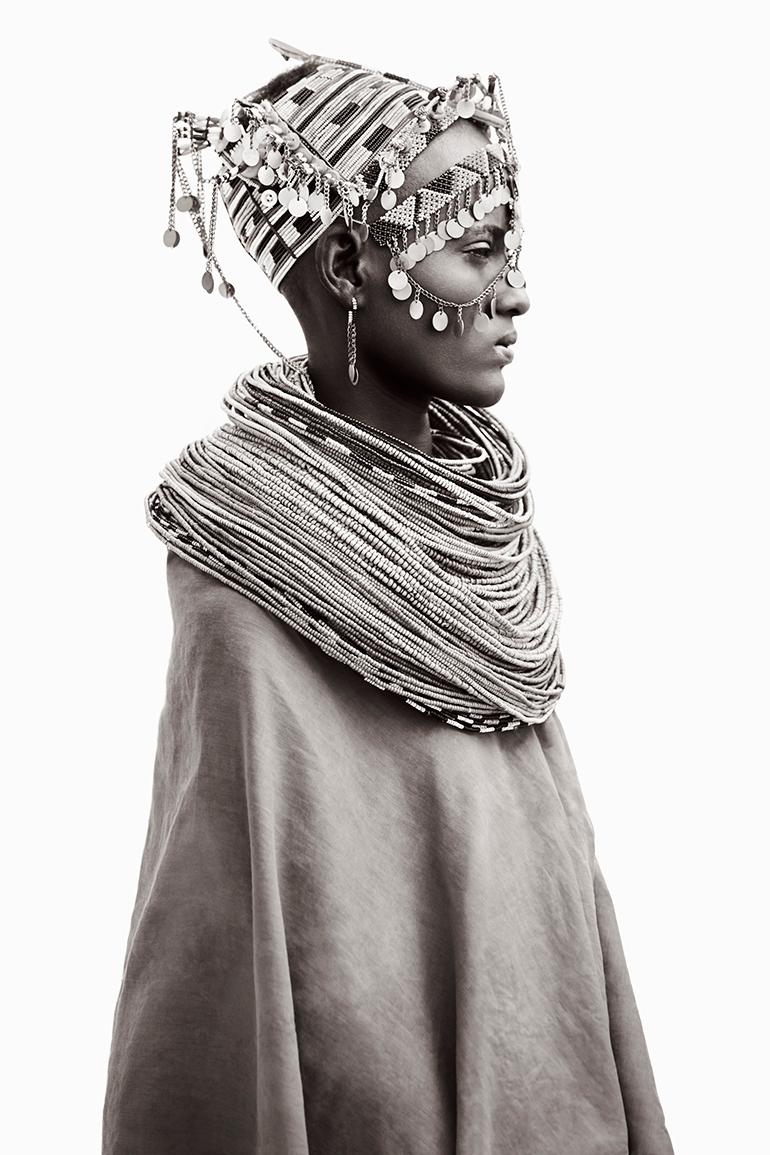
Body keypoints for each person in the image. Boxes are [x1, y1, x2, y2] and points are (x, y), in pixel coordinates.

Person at [101, 38, 676, 1155]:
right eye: (471, 251)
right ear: (348, 268)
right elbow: (216, 998)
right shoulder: (248, 595)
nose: (516, 291)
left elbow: (554, 934)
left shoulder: (483, 580)